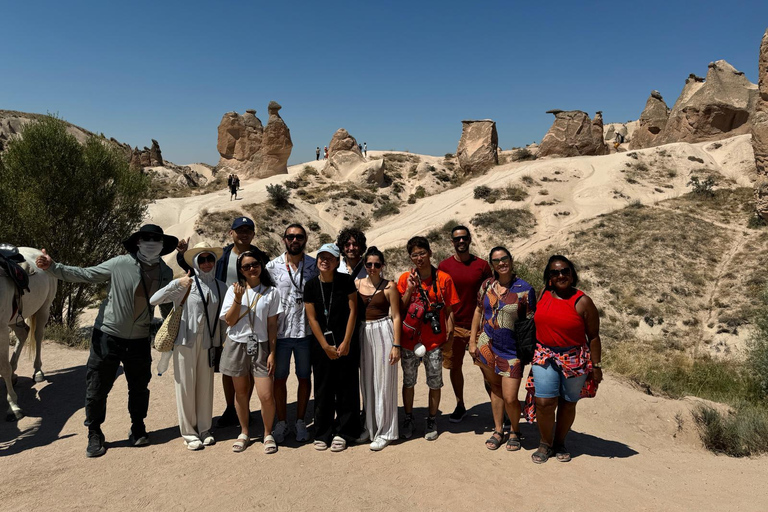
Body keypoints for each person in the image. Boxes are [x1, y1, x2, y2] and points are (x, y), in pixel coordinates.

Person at [36, 224, 177, 457]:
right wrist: (53, 267)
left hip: (140, 338)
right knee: (97, 387)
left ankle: (138, 427)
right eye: (146, 238)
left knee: (139, 386)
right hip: (108, 335)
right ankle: (94, 432)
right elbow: (86, 274)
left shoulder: (165, 272)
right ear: (137, 242)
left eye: (155, 239)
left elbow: (166, 305)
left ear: (162, 245)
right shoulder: (120, 263)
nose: (151, 242)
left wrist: (172, 330)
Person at [177, 216, 269, 429]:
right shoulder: (224, 256)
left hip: (253, 318)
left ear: (253, 234)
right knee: (229, 366)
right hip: (225, 317)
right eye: (239, 230)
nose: (244, 233)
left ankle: (242, 406)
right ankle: (231, 408)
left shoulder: (260, 257)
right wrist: (182, 255)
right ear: (231, 233)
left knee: (250, 363)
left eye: (248, 230)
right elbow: (201, 266)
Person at [149, 243, 226, 451]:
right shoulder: (185, 284)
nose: (207, 263)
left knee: (205, 386)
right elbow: (154, 299)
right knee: (185, 386)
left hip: (208, 343)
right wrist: (176, 284)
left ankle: (204, 429)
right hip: (185, 342)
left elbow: (223, 318)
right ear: (195, 262)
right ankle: (189, 433)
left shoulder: (221, 286)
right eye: (202, 259)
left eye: (210, 259)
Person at [527, 255, 602, 464]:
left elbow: (594, 336)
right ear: (549, 277)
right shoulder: (543, 294)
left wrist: (596, 366)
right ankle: (545, 442)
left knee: (568, 403)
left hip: (574, 358)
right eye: (555, 272)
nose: (561, 275)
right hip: (545, 355)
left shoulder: (583, 302)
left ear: (572, 274)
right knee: (544, 402)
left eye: (565, 271)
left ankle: (559, 442)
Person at [469, 247, 535, 451]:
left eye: (504, 258)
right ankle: (498, 430)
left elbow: (531, 322)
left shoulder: (525, 289)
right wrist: (472, 341)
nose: (501, 263)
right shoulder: (487, 285)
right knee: (495, 390)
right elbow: (479, 310)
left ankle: (515, 430)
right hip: (487, 345)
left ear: (511, 260)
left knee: (510, 397)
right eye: (496, 260)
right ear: (492, 264)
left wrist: (529, 351)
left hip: (511, 350)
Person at [397, 236, 459, 441]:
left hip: (433, 341)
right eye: (414, 254)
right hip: (409, 340)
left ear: (430, 253)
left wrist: (449, 335)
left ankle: (432, 419)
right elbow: (400, 308)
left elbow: (450, 309)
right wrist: (410, 289)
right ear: (410, 257)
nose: (419, 258)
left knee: (435, 382)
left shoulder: (444, 279)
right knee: (408, 382)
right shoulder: (405, 278)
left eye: (422, 253)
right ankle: (408, 417)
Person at [220, 251, 281, 453]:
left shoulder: (272, 292)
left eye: (254, 264)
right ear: (241, 270)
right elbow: (229, 321)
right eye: (246, 266)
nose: (251, 269)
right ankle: (245, 432)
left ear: (261, 265)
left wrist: (273, 352)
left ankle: (267, 433)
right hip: (237, 344)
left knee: (266, 394)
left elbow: (272, 325)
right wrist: (238, 299)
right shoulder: (233, 291)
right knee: (241, 393)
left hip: (262, 346)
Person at [303, 243, 359, 451]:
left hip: (345, 342)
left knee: (346, 388)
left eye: (330, 258)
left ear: (337, 262)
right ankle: (323, 432)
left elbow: (353, 312)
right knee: (323, 388)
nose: (324, 261)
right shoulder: (310, 285)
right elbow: (312, 319)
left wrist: (346, 341)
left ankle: (345, 431)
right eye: (321, 257)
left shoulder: (345, 281)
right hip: (322, 346)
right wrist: (325, 345)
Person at [266, 224, 318, 443]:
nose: (294, 240)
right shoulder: (272, 267)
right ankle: (281, 422)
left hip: (306, 332)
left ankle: (299, 421)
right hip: (282, 333)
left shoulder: (314, 265)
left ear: (305, 239)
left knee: (304, 377)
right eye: (290, 237)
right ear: (284, 240)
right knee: (279, 379)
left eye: (299, 237)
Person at [438, 225, 492, 423]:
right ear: (452, 242)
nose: (461, 242)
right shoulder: (444, 267)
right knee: (455, 367)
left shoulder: (482, 266)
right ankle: (460, 404)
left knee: (487, 368)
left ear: (469, 240)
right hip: (454, 325)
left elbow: (491, 294)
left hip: (480, 326)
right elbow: (441, 297)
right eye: (457, 239)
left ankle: (498, 407)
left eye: (464, 238)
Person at [356, 247, 402, 451]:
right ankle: (369, 427)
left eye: (377, 264)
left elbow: (397, 316)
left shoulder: (389, 286)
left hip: (383, 330)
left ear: (382, 266)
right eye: (369, 264)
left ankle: (386, 431)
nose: (373, 268)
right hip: (363, 332)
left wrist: (396, 345)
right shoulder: (357, 284)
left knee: (384, 382)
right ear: (364, 266)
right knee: (366, 382)